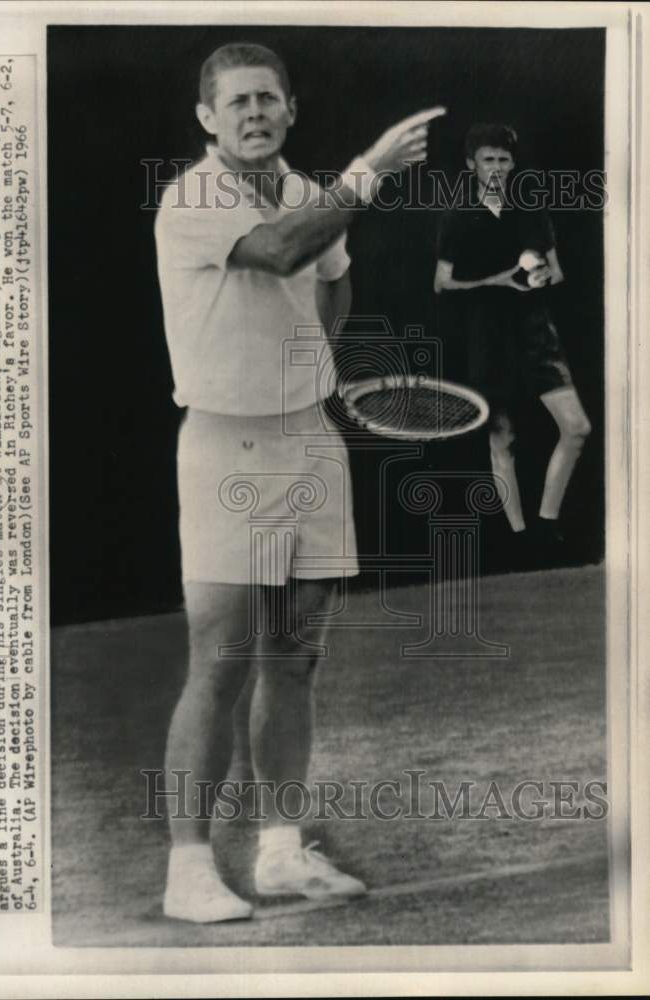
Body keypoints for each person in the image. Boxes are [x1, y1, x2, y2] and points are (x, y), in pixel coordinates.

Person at [155, 41, 443, 923]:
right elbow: (281, 253)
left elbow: (327, 287)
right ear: (208, 118)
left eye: (266, 100)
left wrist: (306, 365)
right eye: (235, 102)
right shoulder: (188, 198)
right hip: (225, 450)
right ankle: (189, 870)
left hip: (308, 443)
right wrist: (366, 174)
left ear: (288, 109)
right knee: (223, 659)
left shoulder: (302, 194)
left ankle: (279, 853)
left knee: (295, 655)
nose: (253, 113)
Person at [434, 123, 591, 558]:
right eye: (489, 160)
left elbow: (556, 272)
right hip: (489, 335)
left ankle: (547, 525)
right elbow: (442, 283)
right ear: (472, 164)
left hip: (535, 331)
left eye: (504, 160)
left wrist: (538, 276)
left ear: (513, 163)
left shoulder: (530, 207)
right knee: (502, 438)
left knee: (576, 428)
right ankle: (519, 538)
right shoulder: (458, 215)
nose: (498, 167)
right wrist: (498, 282)